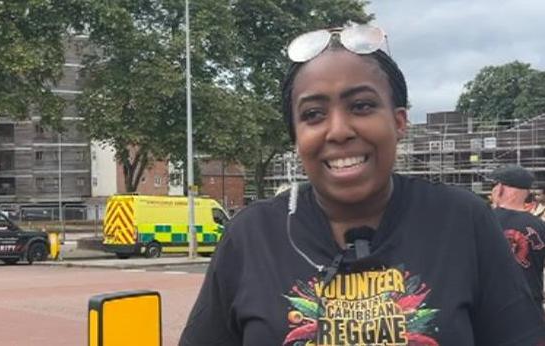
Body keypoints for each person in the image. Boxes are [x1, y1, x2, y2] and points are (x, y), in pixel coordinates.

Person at [180, 23, 545, 345]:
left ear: (400, 122)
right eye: (313, 115)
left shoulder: (463, 221)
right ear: (296, 137)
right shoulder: (251, 234)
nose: (338, 130)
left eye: (362, 106)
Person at [490, 165, 545, 313]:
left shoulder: (483, 221)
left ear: (500, 188)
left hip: (491, 310)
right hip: (530, 309)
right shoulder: (540, 225)